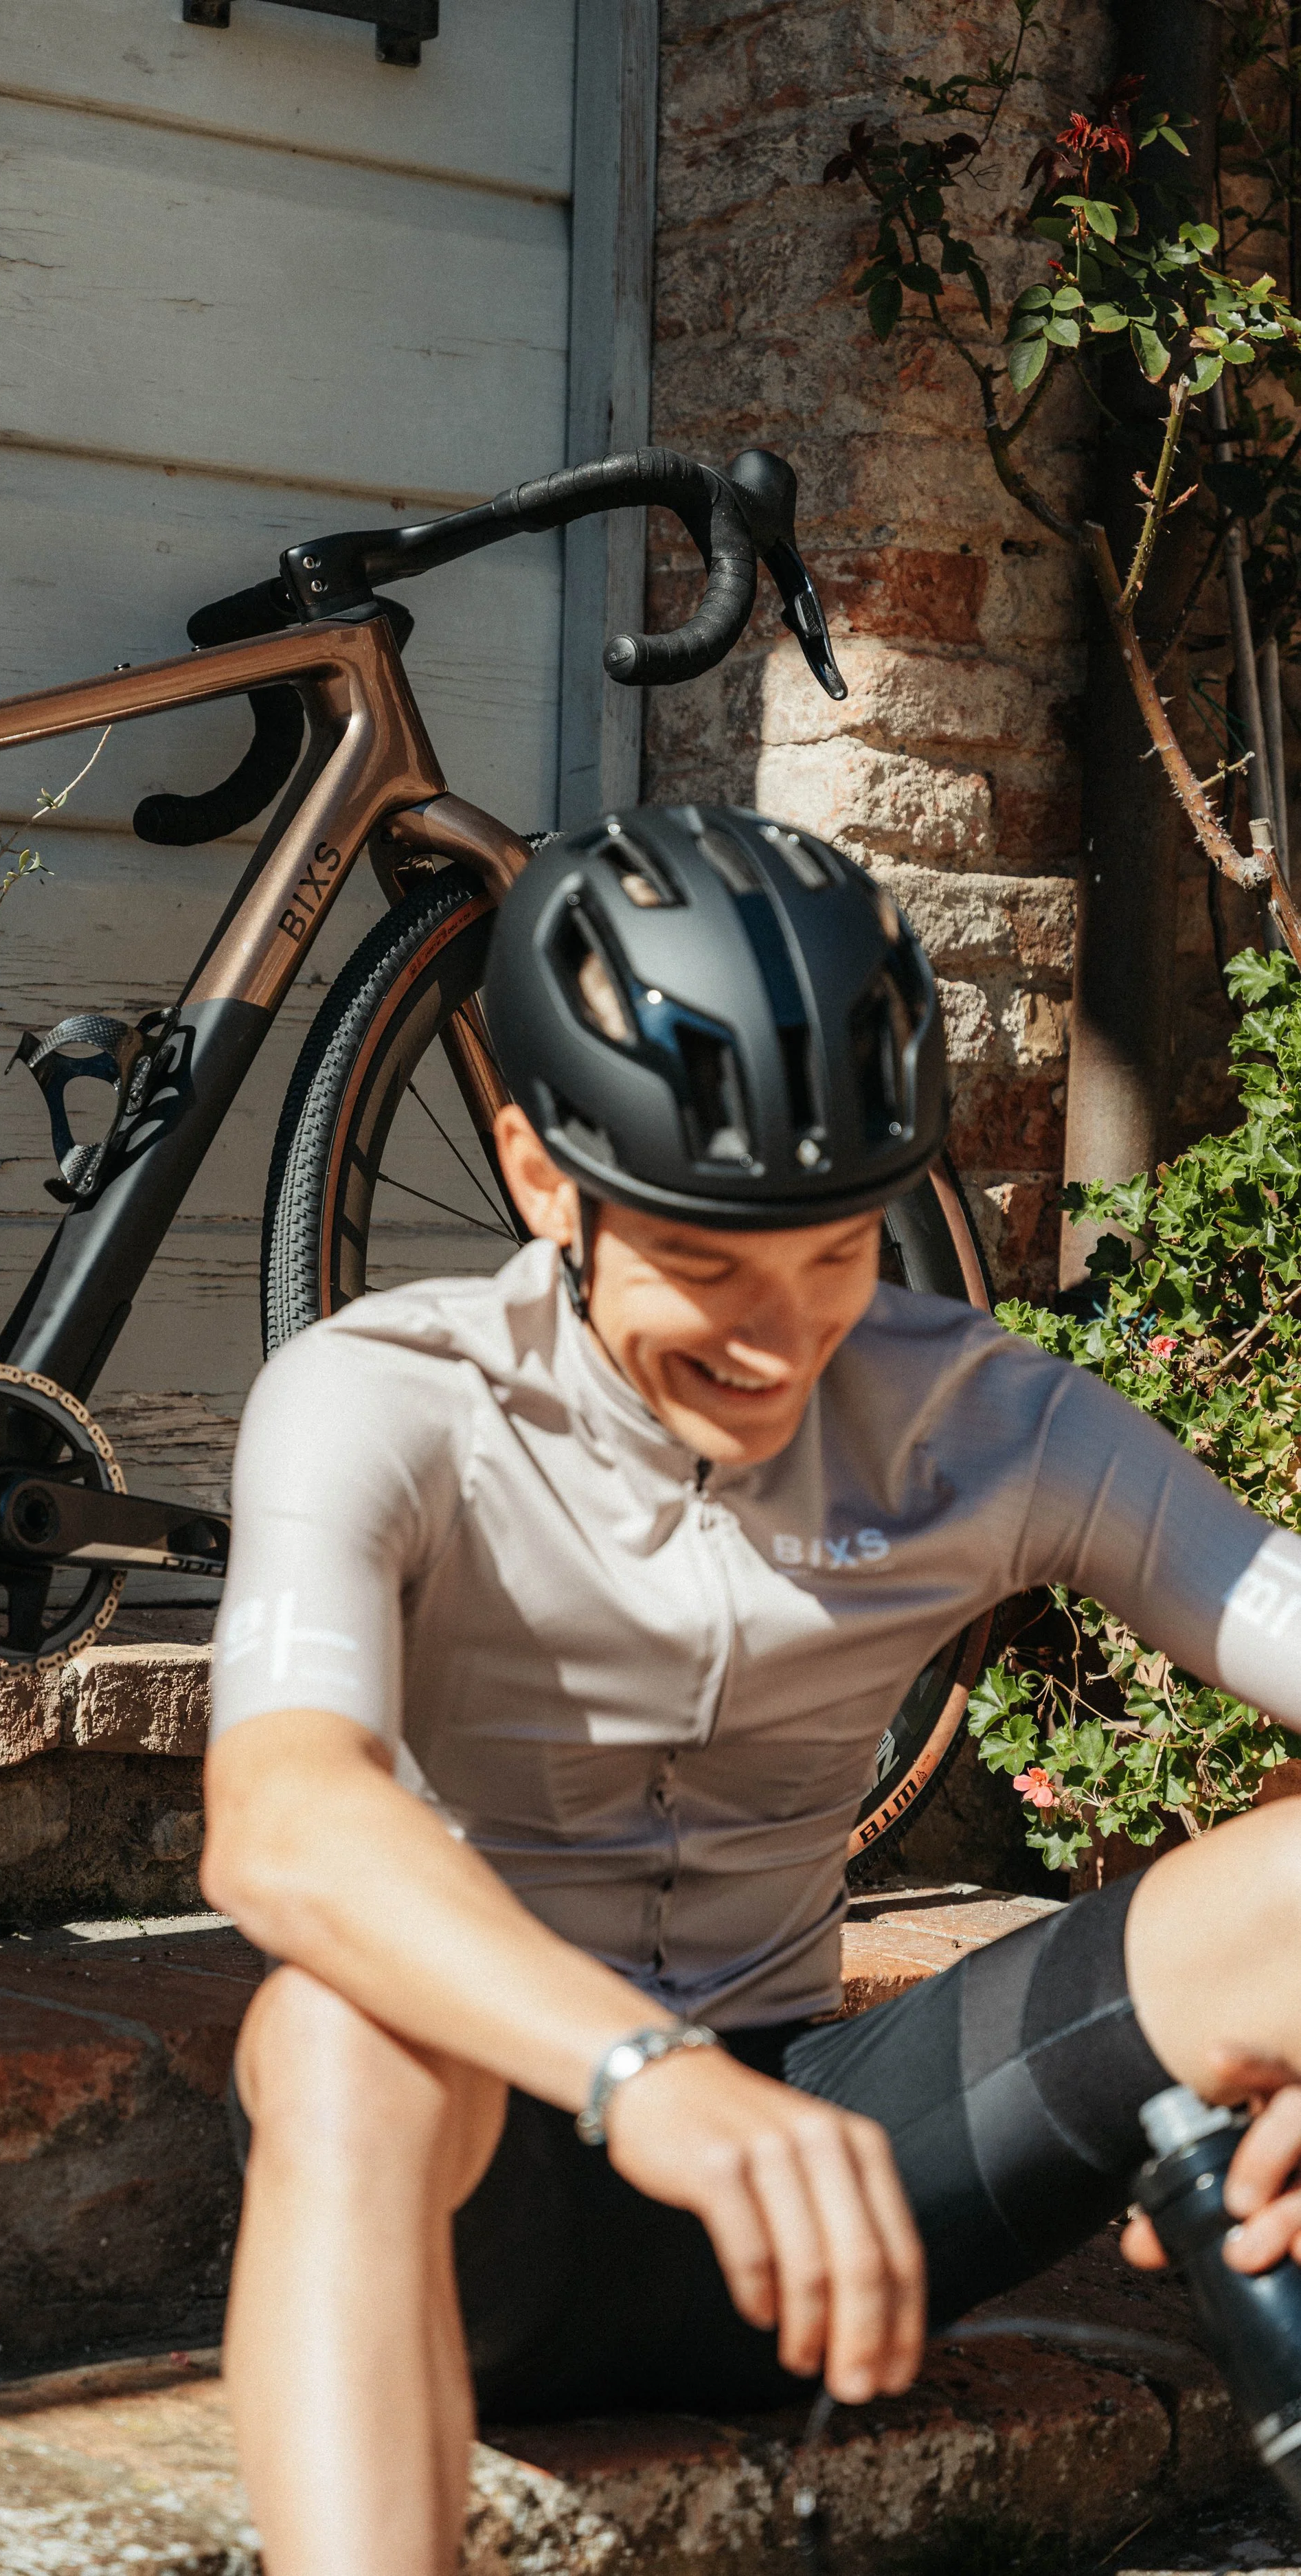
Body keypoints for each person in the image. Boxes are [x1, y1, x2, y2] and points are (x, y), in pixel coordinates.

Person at [201, 806, 1301, 2576]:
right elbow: (279, 1822)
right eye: (705, 1267)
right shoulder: (381, 1399)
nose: (782, 1339)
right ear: (540, 1173)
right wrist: (650, 2077)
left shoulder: (985, 1417)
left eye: (837, 1259)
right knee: (333, 2022)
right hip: (491, 2199)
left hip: (850, 2178)